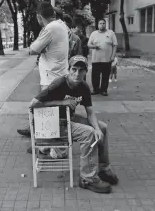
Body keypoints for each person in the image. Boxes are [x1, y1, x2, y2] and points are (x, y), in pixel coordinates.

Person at [29, 55, 119, 193]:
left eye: (81, 70)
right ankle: (87, 178)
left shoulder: (83, 87)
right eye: (74, 69)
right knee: (88, 134)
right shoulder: (58, 84)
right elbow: (33, 104)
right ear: (68, 69)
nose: (77, 74)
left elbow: (90, 112)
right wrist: (60, 102)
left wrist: (96, 128)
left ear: (86, 71)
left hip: (68, 119)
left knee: (102, 128)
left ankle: (103, 168)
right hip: (52, 124)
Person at [17, 2, 69, 137]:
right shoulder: (62, 25)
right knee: (47, 108)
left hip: (51, 77)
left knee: (45, 109)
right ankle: (34, 131)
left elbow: (33, 50)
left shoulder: (50, 28)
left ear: (39, 16)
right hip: (58, 74)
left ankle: (45, 144)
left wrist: (40, 48)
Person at [87, 19, 118, 96]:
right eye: (100, 23)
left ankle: (104, 90)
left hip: (107, 59)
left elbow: (115, 45)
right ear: (98, 25)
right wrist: (94, 46)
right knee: (95, 76)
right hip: (96, 59)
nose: (102, 25)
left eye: (103, 23)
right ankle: (96, 90)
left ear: (105, 24)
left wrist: (113, 56)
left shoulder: (111, 33)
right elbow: (89, 45)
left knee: (105, 76)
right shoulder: (94, 34)